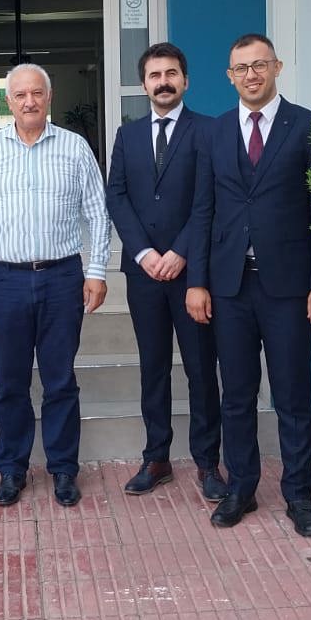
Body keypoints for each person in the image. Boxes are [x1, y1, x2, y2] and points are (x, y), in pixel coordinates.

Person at [185, 33, 311, 536]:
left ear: (277, 67)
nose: (250, 75)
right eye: (241, 68)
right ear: (229, 76)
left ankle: (300, 495)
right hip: (229, 288)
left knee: (293, 395)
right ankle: (241, 488)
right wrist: (197, 282)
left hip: (290, 289)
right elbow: (203, 211)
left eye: (259, 65)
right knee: (236, 395)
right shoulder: (214, 132)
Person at [0, 63, 110, 508]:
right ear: (8, 101)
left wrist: (97, 270)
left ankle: (63, 468)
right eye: (20, 95)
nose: (29, 102)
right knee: (9, 382)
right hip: (3, 279)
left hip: (61, 278)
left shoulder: (75, 147)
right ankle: (12, 468)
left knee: (60, 380)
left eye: (36, 93)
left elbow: (97, 213)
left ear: (49, 96)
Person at [107, 42, 224, 499]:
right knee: (152, 368)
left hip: (193, 275)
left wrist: (180, 252)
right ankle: (156, 458)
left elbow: (211, 199)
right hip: (144, 275)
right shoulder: (128, 135)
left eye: (171, 73)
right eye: (155, 75)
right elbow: (117, 197)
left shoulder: (209, 131)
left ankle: (208, 463)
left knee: (201, 369)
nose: (163, 82)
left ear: (185, 81)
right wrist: (143, 253)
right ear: (143, 85)